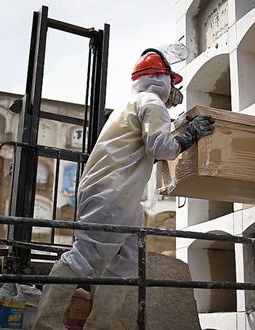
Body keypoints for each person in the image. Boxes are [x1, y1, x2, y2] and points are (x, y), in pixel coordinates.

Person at [32, 48, 215, 330]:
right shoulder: (152, 102)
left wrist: (179, 124)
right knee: (83, 258)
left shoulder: (133, 103)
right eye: (172, 83)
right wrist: (190, 134)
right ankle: (46, 324)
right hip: (111, 195)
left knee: (128, 261)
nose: (173, 92)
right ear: (161, 78)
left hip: (120, 197)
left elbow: (148, 141)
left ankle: (103, 324)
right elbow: (161, 147)